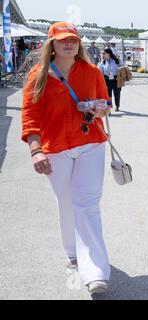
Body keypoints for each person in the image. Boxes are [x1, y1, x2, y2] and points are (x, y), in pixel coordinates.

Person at [21, 22, 112, 295]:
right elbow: (30, 118)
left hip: (90, 144)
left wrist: (99, 109)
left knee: (87, 205)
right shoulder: (38, 76)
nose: (69, 44)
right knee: (66, 203)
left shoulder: (92, 72)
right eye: (63, 40)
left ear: (79, 44)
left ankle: (96, 271)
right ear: (52, 44)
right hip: (55, 148)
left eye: (73, 39)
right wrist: (35, 150)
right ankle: (72, 251)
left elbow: (106, 104)